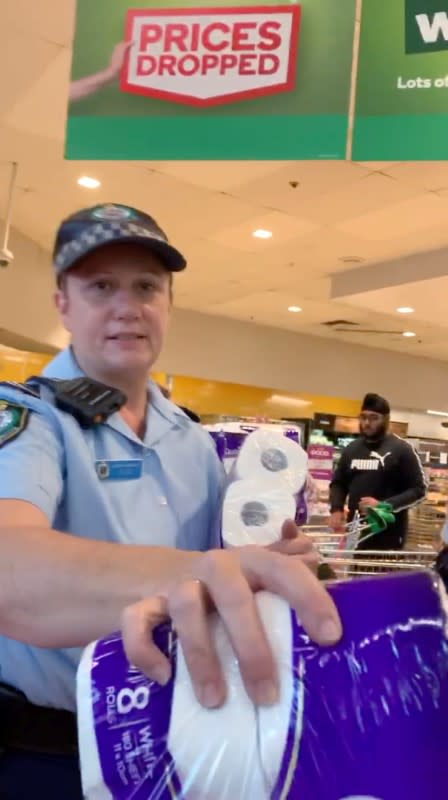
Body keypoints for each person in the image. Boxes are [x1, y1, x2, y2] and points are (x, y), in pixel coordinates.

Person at [0, 203, 342, 798]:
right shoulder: (30, 418)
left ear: (169, 304)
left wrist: (266, 568)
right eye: (101, 285)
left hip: (183, 739)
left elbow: (213, 580)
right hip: (46, 755)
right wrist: (200, 571)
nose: (127, 307)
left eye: (146, 286)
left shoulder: (192, 440)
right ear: (62, 302)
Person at [329, 393, 427, 552]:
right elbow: (339, 483)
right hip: (356, 530)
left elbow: (419, 490)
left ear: (386, 420)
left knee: (383, 575)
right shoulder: (351, 449)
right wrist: (336, 508)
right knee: (357, 574)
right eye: (363, 417)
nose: (367, 423)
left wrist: (384, 505)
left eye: (374, 418)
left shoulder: (402, 450)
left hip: (389, 534)